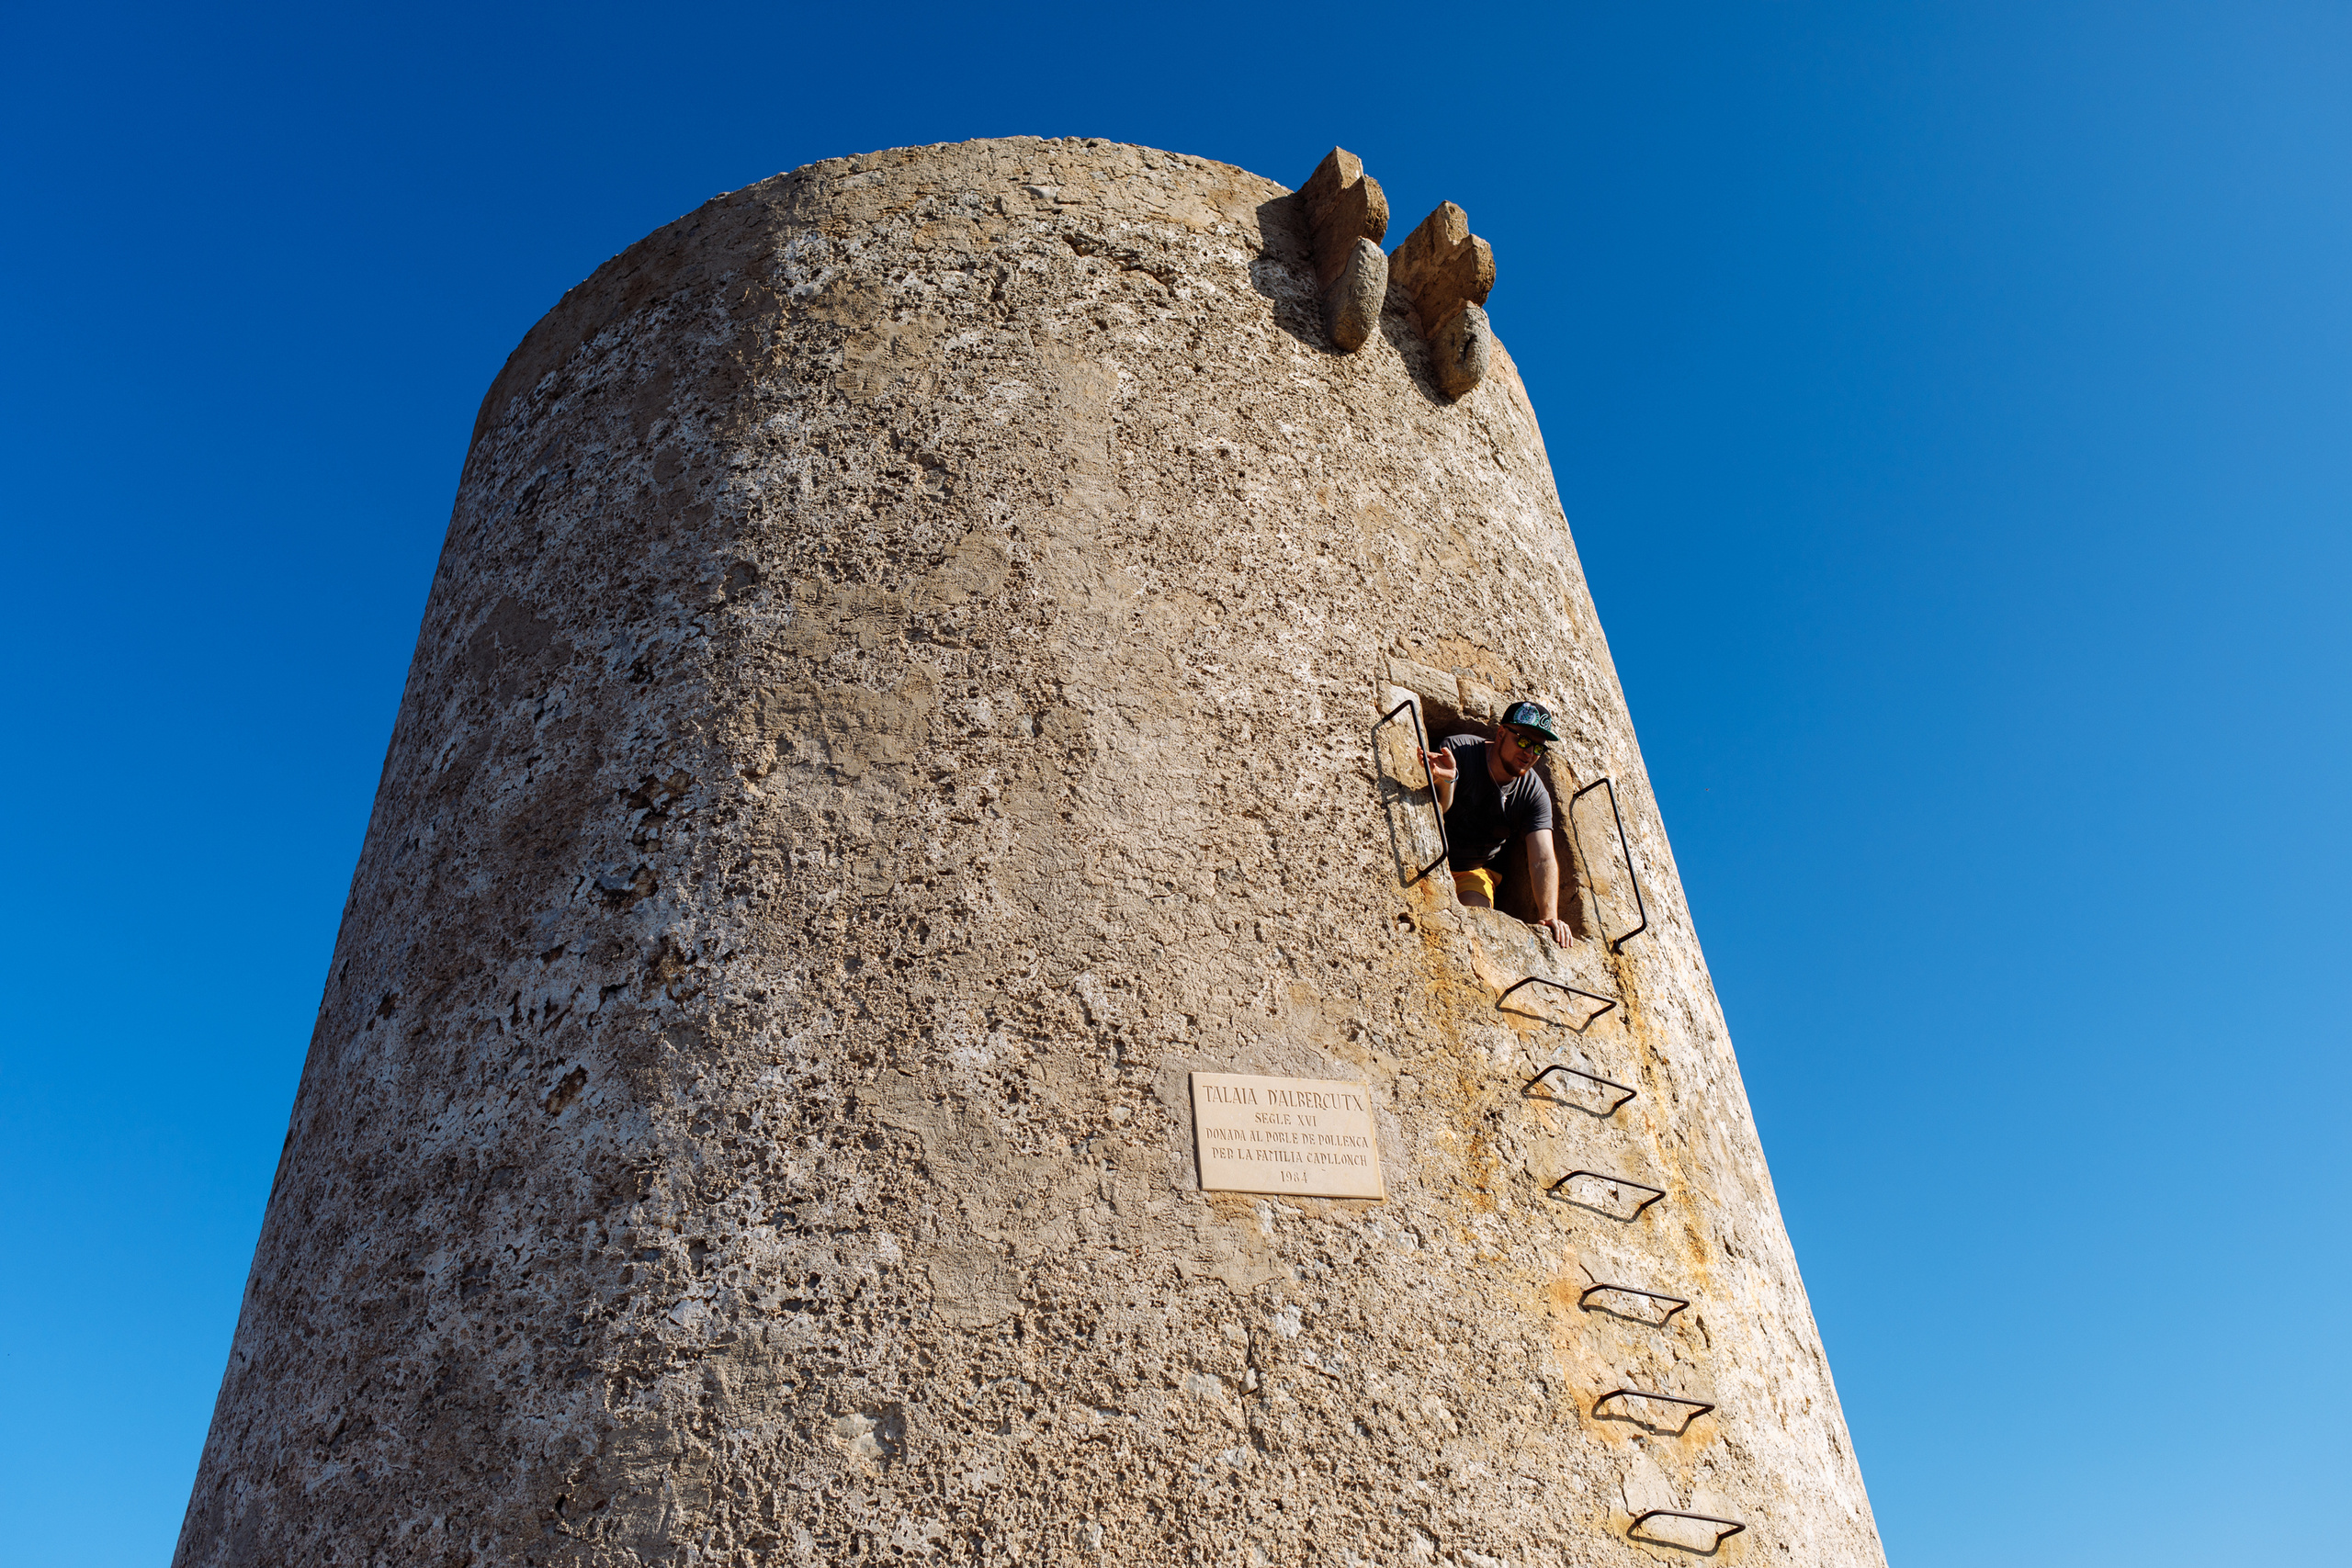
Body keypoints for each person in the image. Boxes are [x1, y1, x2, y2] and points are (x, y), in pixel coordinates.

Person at [1423, 700, 1574, 946]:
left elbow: (1543, 858)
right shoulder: (1458, 751)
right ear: (1502, 733)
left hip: (1471, 869)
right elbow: (1436, 811)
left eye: (1538, 748)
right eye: (1524, 741)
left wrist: (1549, 917)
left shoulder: (1534, 794)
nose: (1529, 753)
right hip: (1429, 853)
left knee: (1477, 929)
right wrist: (1447, 781)